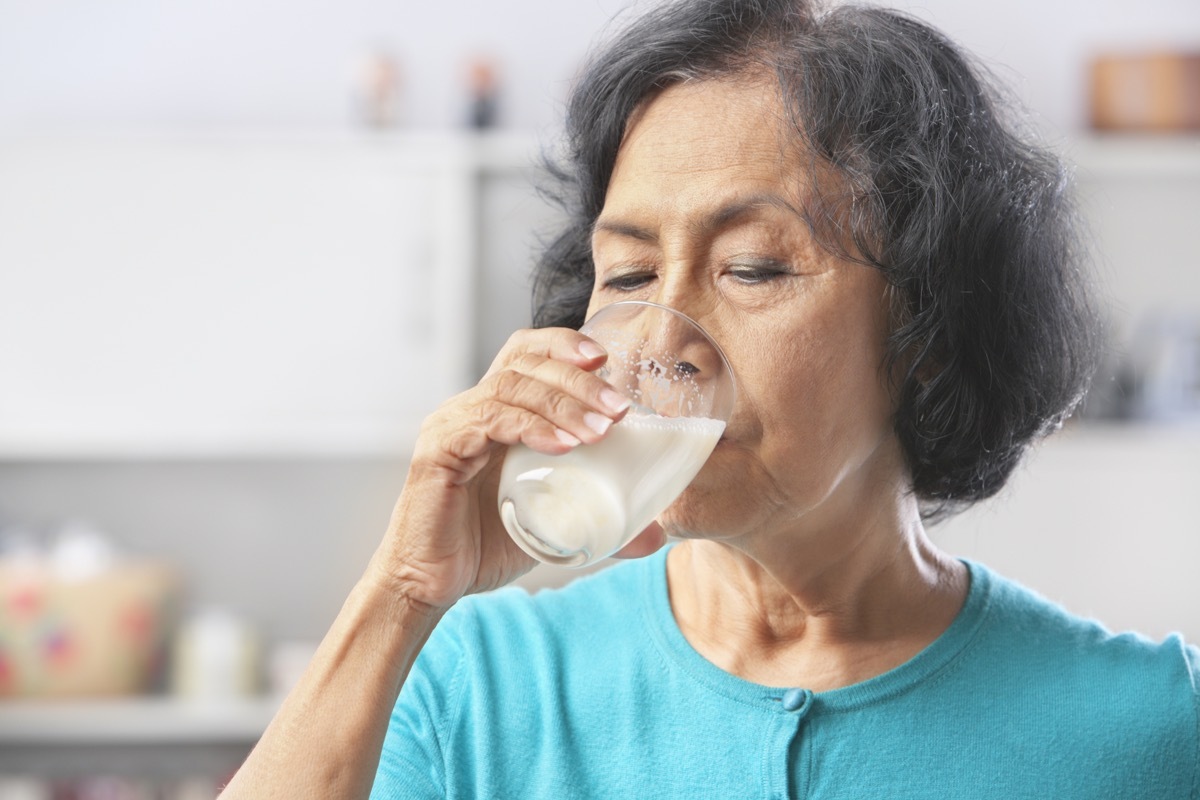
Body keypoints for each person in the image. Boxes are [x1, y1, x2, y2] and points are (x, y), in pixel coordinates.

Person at [222, 0, 1199, 797]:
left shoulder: (1150, 727)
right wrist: (400, 592)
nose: (660, 337)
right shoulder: (478, 682)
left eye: (755, 265)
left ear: (930, 338)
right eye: (631, 274)